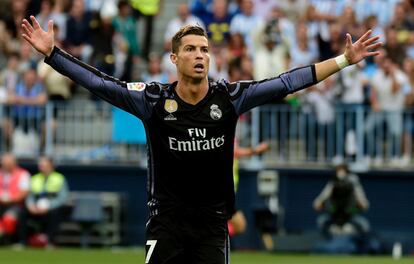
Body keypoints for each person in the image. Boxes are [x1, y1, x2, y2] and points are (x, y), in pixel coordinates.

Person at [21, 15, 380, 263]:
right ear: (174, 58)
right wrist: (53, 54)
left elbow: (287, 82)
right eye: (191, 49)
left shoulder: (230, 97)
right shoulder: (153, 101)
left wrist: (344, 60)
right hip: (166, 221)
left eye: (205, 50)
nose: (200, 55)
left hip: (212, 223)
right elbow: (99, 83)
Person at [313, 163, 370, 238]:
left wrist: (362, 204)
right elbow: (322, 197)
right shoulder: (333, 182)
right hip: (335, 215)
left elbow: (363, 200)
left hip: (349, 214)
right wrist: (318, 203)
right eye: (339, 169)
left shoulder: (353, 182)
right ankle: (328, 242)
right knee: (321, 221)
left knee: (364, 225)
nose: (341, 172)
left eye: (342, 169)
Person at [23, 156, 68, 247]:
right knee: (22, 213)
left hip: (51, 208)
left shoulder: (59, 178)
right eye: (40, 165)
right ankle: (22, 242)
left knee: (56, 213)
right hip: (36, 208)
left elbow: (62, 198)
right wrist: (31, 206)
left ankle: (50, 241)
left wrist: (49, 206)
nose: (41, 167)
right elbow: (30, 196)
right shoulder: (34, 178)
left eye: (44, 165)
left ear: (51, 166)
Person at [0, 153, 30, 244]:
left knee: (9, 219)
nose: (7, 165)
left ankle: (8, 240)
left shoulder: (23, 174)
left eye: (9, 163)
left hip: (16, 204)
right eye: (5, 163)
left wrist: (11, 200)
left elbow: (24, 192)